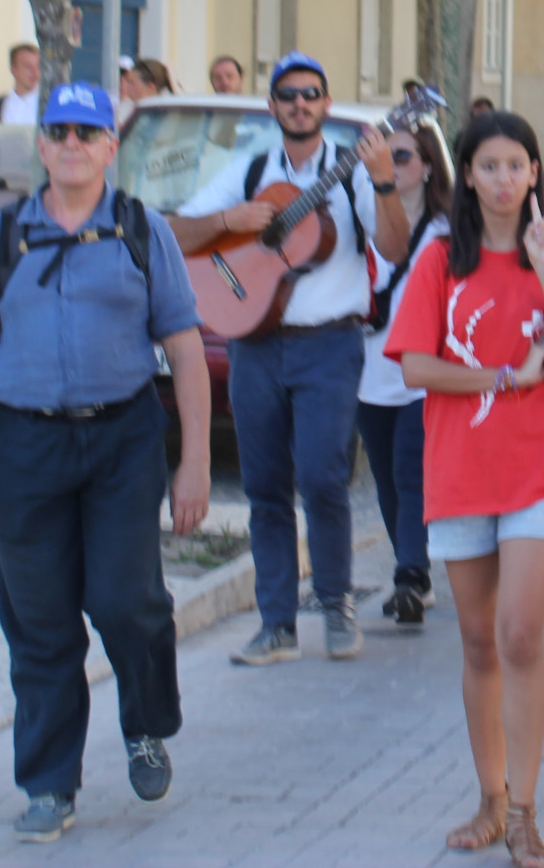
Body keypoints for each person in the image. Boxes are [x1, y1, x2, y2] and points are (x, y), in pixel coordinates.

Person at [0, 81, 209, 842]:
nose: (73, 143)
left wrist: (195, 461)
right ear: (41, 145)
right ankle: (49, 781)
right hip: (26, 444)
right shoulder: (5, 233)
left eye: (89, 131)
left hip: (122, 439)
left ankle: (145, 724)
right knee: (40, 620)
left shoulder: (141, 229)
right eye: (60, 131)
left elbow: (184, 349)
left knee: (126, 600)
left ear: (111, 147)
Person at [386, 113, 544, 868]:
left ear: (536, 172)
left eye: (518, 164)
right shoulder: (442, 258)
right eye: (489, 165)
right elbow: (415, 366)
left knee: (518, 632)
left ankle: (523, 811)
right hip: (460, 466)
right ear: (469, 176)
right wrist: (504, 376)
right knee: (477, 639)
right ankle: (488, 794)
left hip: (538, 466)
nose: (505, 178)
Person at [173, 51, 409, 664]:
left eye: (311, 94)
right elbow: (173, 231)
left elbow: (393, 244)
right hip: (254, 343)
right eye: (288, 95)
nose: (300, 104)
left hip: (328, 345)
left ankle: (335, 605)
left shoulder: (351, 170)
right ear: (272, 106)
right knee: (265, 486)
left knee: (325, 477)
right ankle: (276, 623)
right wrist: (231, 218)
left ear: (326, 106)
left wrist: (383, 180)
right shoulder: (249, 170)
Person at [363, 118, 455, 629]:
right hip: (369, 371)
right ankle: (414, 571)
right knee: (384, 480)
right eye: (385, 156)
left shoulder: (447, 231)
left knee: (409, 470)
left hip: (421, 373)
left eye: (402, 157)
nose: (392, 165)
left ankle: (409, 575)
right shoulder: (364, 221)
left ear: (425, 168)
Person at [0, 42, 41, 124]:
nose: (35, 73)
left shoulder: (50, 107)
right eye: (28, 67)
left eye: (38, 66)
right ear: (14, 69)